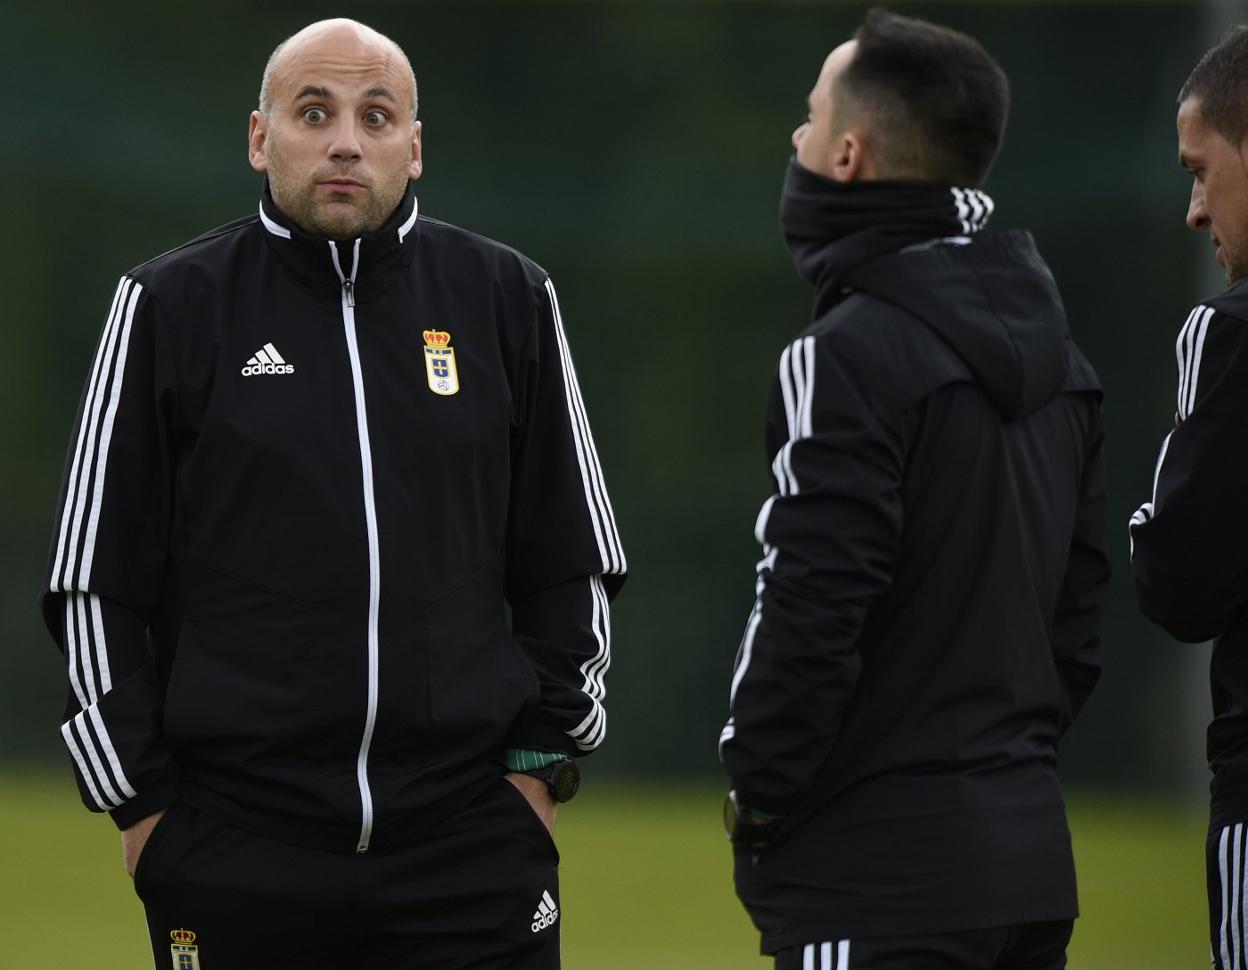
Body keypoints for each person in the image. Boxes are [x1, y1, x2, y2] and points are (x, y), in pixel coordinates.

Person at [40, 18, 624, 969]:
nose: (346, 139)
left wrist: (542, 768)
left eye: (376, 115)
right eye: (315, 112)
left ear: (416, 147)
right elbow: (91, 581)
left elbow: (571, 557)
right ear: (261, 137)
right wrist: (142, 805)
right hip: (235, 851)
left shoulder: (509, 297)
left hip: (469, 848)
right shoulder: (165, 306)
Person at [718, 10, 1108, 969]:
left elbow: (808, 607)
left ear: (847, 155)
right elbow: (1080, 625)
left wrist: (758, 790)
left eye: (809, 121)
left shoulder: (841, 357)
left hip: (875, 881)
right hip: (1027, 872)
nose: (796, 142)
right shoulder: (1067, 364)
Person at [1130, 25, 1248, 970]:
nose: (1194, 209)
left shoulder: (1229, 334)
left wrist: (1149, 518)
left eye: (1202, 171)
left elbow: (1179, 582)